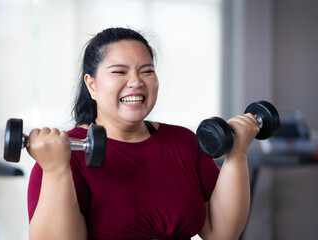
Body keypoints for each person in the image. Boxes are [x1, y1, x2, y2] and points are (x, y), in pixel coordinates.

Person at [27, 27, 259, 240]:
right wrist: (56, 170)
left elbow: (220, 233)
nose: (136, 82)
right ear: (92, 85)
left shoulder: (184, 142)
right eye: (119, 71)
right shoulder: (62, 155)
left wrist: (237, 154)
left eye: (146, 71)